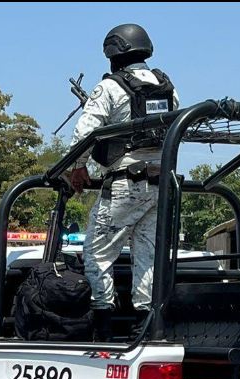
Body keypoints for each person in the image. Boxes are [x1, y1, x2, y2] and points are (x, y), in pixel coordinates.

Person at [69, 24, 179, 341]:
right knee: (146, 256)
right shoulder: (168, 86)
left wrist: (76, 167)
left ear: (113, 52)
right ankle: (144, 326)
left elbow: (83, 133)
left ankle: (103, 322)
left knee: (98, 254)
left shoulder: (111, 87)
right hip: (160, 185)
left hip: (124, 185)